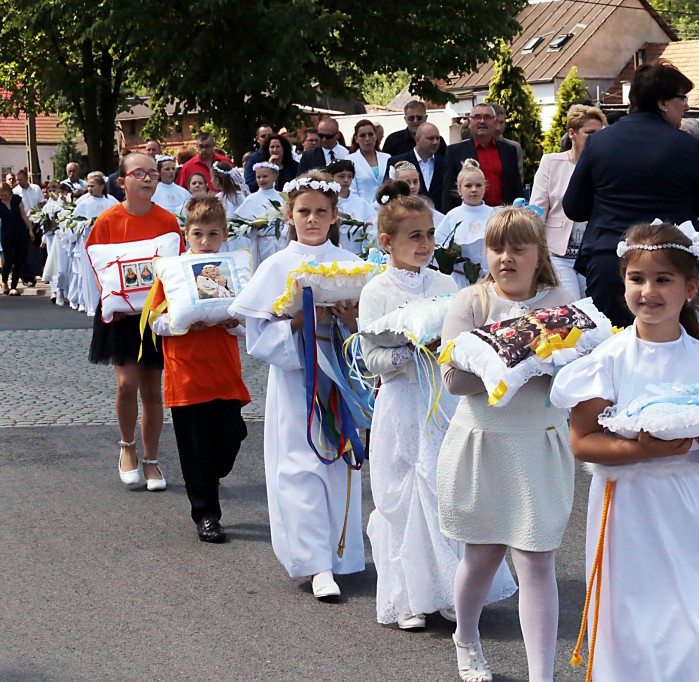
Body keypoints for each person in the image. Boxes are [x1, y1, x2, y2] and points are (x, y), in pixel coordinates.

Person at [551, 222, 699, 682]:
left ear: (690, 287)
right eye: (637, 279)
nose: (649, 291)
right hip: (629, 509)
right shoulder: (607, 362)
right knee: (640, 626)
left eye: (663, 279)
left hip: (693, 508)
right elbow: (582, 441)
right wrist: (640, 449)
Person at [358, 181, 516, 631]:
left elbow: (464, 338)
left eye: (429, 234)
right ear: (387, 242)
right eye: (414, 237)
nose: (425, 244)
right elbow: (372, 359)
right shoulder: (377, 292)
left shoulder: (448, 284)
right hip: (404, 400)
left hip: (443, 400)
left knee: (447, 488)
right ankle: (409, 594)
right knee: (405, 493)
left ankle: (452, 590)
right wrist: (411, 349)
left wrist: (449, 346)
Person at [438, 207, 574, 682]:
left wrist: (546, 362)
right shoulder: (471, 302)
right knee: (482, 556)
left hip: (538, 443)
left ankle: (543, 676)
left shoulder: (562, 297)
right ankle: (467, 638)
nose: (507, 258)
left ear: (540, 254)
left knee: (537, 558)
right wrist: (522, 360)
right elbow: (455, 380)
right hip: (484, 442)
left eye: (519, 248)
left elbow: (575, 369)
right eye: (497, 248)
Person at [228, 172, 364, 599]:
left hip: (338, 375)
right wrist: (301, 323)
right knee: (299, 465)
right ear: (289, 215)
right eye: (303, 211)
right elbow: (257, 334)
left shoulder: (348, 262)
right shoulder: (277, 265)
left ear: (334, 215)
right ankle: (315, 562)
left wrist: (348, 319)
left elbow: (367, 323)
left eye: (321, 212)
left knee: (339, 461)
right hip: (296, 382)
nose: (311, 219)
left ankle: (341, 552)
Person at [563, 63, 699, 326]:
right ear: (663, 102)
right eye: (682, 98)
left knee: (610, 352)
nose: (686, 106)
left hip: (609, 262)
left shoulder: (599, 143)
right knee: (667, 352)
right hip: (668, 267)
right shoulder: (688, 147)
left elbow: (573, 207)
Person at [148, 195, 249, 542]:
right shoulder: (173, 271)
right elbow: (155, 321)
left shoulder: (232, 270)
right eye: (198, 235)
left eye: (213, 235)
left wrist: (232, 322)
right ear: (186, 234)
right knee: (194, 447)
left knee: (232, 435)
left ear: (225, 234)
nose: (205, 243)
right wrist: (185, 325)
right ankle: (206, 514)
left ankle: (211, 475)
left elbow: (249, 324)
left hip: (223, 370)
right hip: (186, 373)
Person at [85, 153, 185, 491]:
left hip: (154, 318)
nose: (147, 179)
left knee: (152, 390)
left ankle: (152, 460)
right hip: (122, 318)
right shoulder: (108, 220)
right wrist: (116, 299)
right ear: (122, 181)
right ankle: (127, 446)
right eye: (139, 173)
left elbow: (177, 268)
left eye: (153, 174)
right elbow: (100, 270)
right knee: (126, 383)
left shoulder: (168, 221)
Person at [530, 105, 607, 299]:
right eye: (590, 133)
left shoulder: (606, 166)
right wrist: (537, 250)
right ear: (572, 133)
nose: (596, 139)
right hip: (558, 253)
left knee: (594, 309)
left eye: (600, 133)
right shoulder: (551, 162)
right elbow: (537, 210)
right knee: (571, 305)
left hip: (592, 253)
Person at [441, 103, 522, 213]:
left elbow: (516, 188)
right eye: (477, 117)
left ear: (494, 122)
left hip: (502, 217)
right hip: (470, 216)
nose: (482, 121)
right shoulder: (455, 152)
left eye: (487, 117)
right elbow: (449, 191)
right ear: (470, 123)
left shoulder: (509, 151)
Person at [435, 160, 496, 289]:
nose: (474, 190)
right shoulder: (453, 216)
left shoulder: (494, 214)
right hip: (460, 278)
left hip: (490, 278)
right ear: (459, 190)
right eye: (468, 186)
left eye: (478, 185)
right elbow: (438, 244)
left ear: (485, 187)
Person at [72, 172, 120, 315]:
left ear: (101, 186)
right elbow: (74, 223)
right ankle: (92, 304)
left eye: (92, 186)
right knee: (91, 273)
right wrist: (87, 224)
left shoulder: (111, 202)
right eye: (88, 186)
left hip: (108, 243)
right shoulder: (83, 203)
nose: (89, 189)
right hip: (90, 242)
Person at [233, 162, 287, 269]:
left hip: (280, 242)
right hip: (260, 244)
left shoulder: (282, 197)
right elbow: (243, 229)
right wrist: (252, 228)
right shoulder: (251, 199)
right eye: (258, 177)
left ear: (274, 176)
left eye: (265, 176)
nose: (261, 180)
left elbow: (287, 223)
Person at [385, 122, 446, 208]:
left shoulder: (444, 163)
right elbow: (389, 192)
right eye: (430, 138)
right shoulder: (396, 161)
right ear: (417, 139)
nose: (435, 142)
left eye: (437, 138)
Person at [327, 159, 377, 255]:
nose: (346, 180)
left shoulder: (361, 203)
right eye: (341, 176)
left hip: (355, 254)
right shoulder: (326, 202)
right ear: (331, 178)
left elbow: (373, 229)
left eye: (349, 176)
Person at [345, 119, 390, 205]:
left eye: (370, 134)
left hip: (387, 208)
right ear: (356, 139)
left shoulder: (387, 158)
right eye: (362, 136)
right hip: (362, 211)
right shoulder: (350, 160)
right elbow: (352, 191)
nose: (367, 139)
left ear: (376, 136)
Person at [382, 100, 449, 157]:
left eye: (419, 117)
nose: (415, 121)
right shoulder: (393, 140)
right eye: (411, 118)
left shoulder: (437, 141)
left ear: (425, 118)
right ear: (405, 119)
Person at [0, 183, 34, 296]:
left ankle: (14, 287)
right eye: (1, 195)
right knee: (8, 260)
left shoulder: (16, 199)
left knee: (18, 260)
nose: (3, 198)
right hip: (6, 234)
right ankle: (4, 281)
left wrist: (30, 229)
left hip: (20, 232)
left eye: (5, 195)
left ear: (9, 193)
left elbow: (24, 215)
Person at [489, 103, 524, 182]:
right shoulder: (472, 146)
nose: (498, 128)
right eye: (495, 122)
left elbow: (518, 180)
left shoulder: (514, 147)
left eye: (501, 123)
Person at [243, 124, 275, 192]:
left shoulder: (283, 155)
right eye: (263, 136)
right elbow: (250, 185)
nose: (267, 138)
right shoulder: (252, 159)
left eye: (270, 135)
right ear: (257, 139)